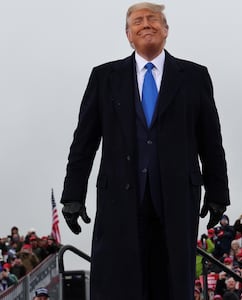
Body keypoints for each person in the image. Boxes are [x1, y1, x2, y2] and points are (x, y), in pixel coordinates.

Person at [60, 2, 230, 300]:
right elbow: (84, 142)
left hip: (176, 197)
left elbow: (210, 140)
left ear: (166, 30)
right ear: (128, 34)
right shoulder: (104, 77)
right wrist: (73, 195)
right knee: (119, 282)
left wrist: (218, 193)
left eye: (153, 19)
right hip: (120, 198)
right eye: (137, 21)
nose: (146, 24)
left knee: (171, 282)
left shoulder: (193, 76)